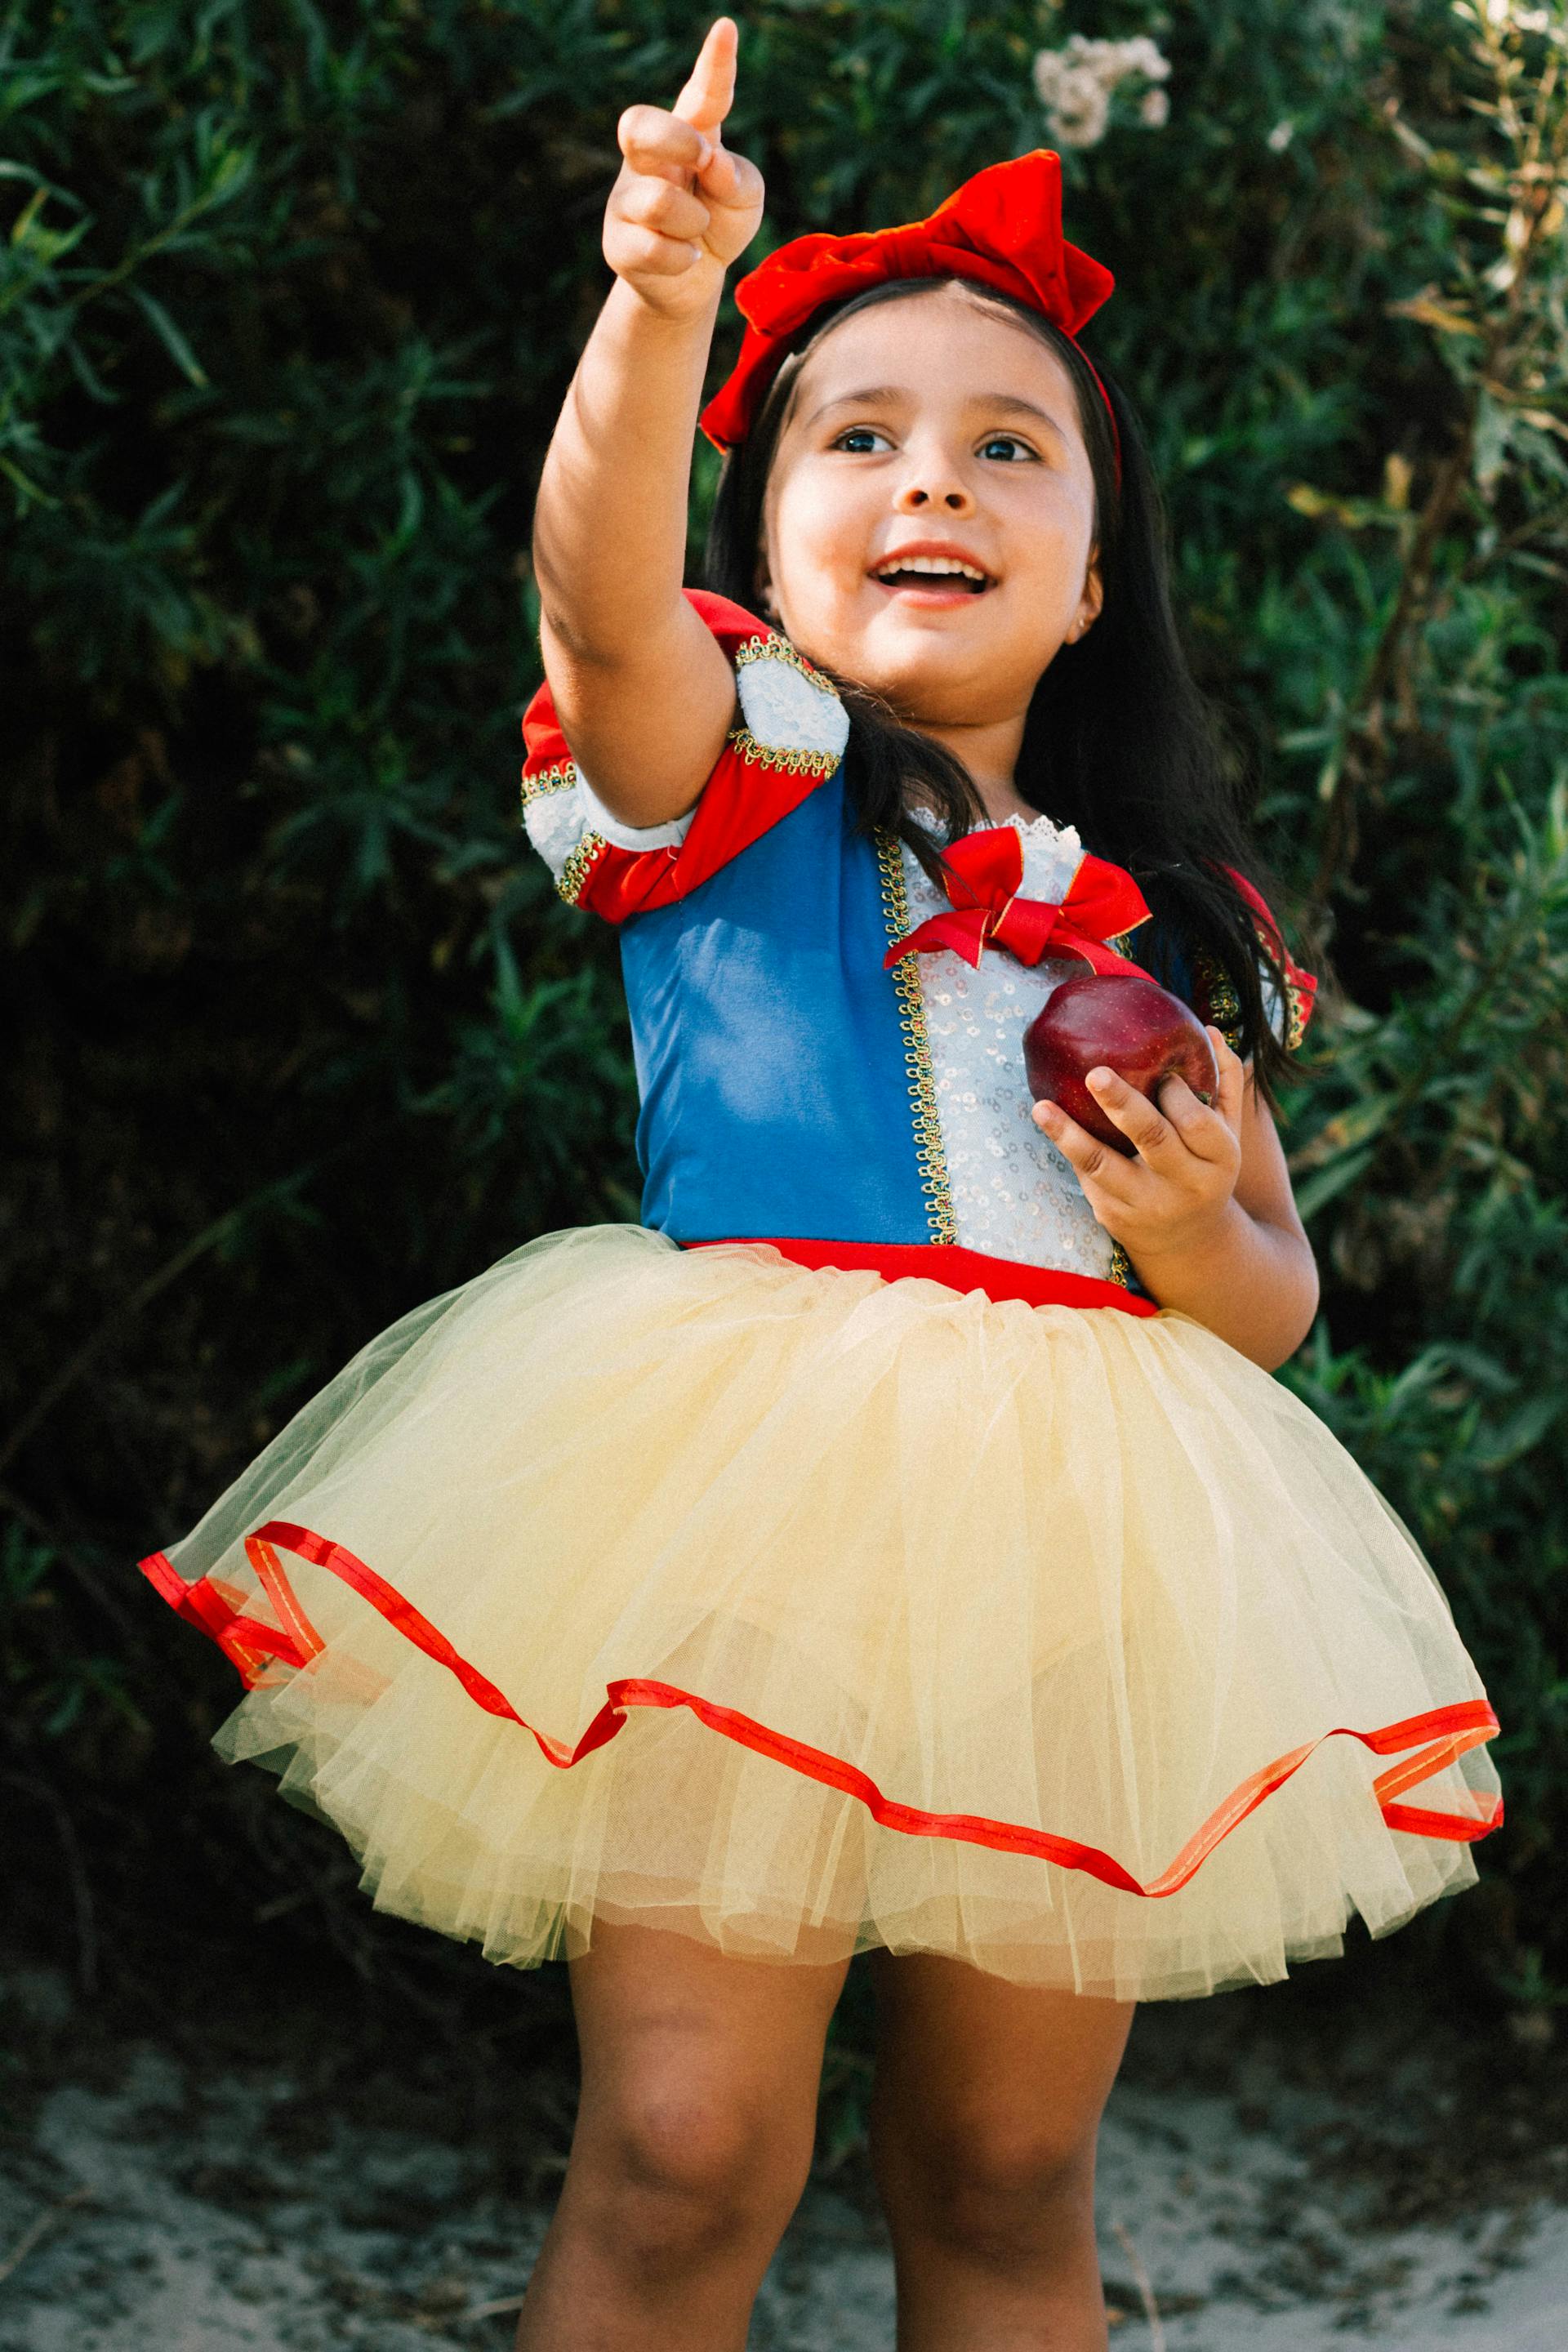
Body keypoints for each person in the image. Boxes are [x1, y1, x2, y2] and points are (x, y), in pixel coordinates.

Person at [138, 20, 1503, 2348]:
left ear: (1091, 578)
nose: (930, 481)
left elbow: (1265, 1303)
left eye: (1006, 445)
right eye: (855, 440)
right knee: (685, 2151)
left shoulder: (1171, 918)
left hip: (1080, 1564)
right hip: (743, 1522)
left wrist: (1191, 1229)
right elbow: (596, 597)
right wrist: (660, 308)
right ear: (765, 533)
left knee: (1002, 2158)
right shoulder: (735, 765)